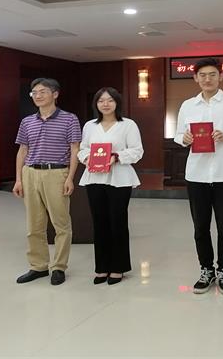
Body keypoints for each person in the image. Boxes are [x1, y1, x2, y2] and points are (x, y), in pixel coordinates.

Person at [174, 57, 223, 295]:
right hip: (197, 174)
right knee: (200, 227)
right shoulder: (188, 105)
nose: (207, 79)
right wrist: (184, 139)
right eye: (202, 75)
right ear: (195, 78)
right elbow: (178, 134)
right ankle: (206, 269)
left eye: (212, 74)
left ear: (221, 77)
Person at [13, 78, 82, 286]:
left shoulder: (69, 119)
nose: (38, 96)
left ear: (55, 94)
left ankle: (59, 267)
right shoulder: (27, 121)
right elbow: (22, 150)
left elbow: (75, 150)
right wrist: (18, 179)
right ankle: (38, 266)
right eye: (34, 92)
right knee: (34, 224)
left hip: (56, 173)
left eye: (43, 91)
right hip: (30, 173)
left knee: (61, 223)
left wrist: (70, 178)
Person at [78, 87, 143, 285]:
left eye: (110, 100)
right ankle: (102, 267)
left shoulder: (128, 125)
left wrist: (116, 157)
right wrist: (87, 158)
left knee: (118, 222)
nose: (105, 104)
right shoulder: (90, 126)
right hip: (94, 178)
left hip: (119, 179)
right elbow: (82, 149)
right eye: (101, 101)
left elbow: (137, 151)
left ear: (117, 103)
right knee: (99, 222)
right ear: (96, 104)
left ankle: (118, 267)